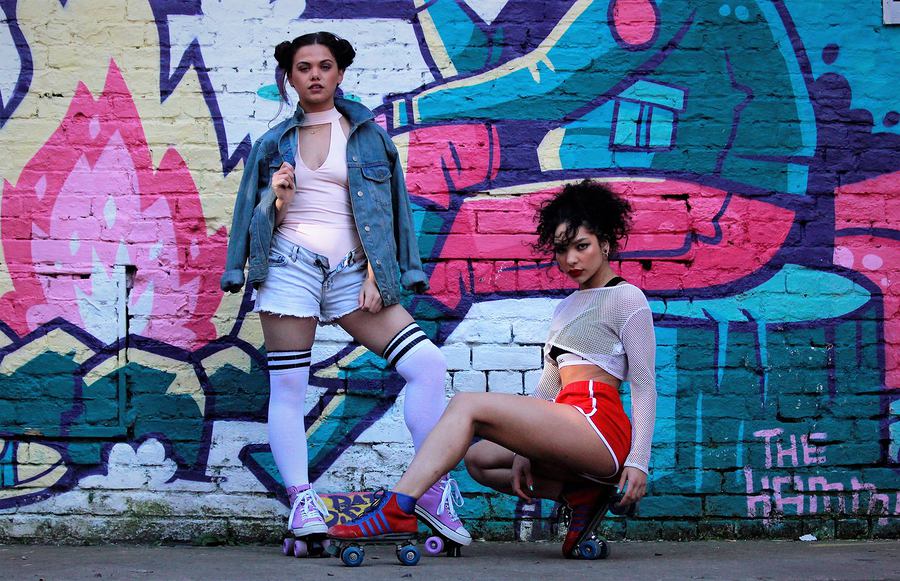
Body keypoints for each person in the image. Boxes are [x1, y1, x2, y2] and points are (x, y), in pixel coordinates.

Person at [220, 31, 470, 548]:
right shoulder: (272, 144)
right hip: (289, 266)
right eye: (303, 67)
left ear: (340, 73)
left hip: (355, 272)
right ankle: (302, 501)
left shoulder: (370, 138)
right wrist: (278, 199)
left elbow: (393, 213)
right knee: (290, 387)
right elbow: (251, 222)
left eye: (325, 65)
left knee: (426, 365)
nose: (315, 74)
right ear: (290, 78)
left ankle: (427, 489)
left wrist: (382, 275)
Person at [328, 180, 657, 557]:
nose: (571, 260)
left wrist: (639, 462)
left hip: (600, 427)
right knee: (480, 460)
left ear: (606, 243)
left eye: (581, 246)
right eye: (562, 249)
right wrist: (524, 446)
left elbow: (645, 386)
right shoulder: (564, 309)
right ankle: (583, 494)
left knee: (467, 405)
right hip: (567, 420)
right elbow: (548, 387)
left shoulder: (626, 298)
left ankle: (399, 507)